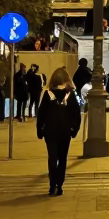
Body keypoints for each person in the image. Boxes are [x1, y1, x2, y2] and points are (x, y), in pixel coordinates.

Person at [36, 67, 82, 195]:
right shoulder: (70, 94)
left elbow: (41, 114)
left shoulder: (47, 94)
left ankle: (52, 184)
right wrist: (74, 130)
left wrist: (39, 130)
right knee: (62, 158)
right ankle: (60, 185)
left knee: (52, 158)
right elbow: (76, 115)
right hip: (64, 131)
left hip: (50, 131)